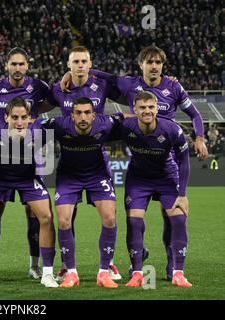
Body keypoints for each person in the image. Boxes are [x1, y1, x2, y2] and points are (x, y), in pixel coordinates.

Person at [62, 45, 206, 280]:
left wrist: (199, 137)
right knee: (135, 220)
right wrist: (75, 73)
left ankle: (173, 266)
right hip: (140, 161)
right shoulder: (130, 85)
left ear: (163, 65)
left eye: (158, 62)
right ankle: (136, 265)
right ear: (141, 65)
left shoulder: (174, 86)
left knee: (172, 217)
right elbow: (102, 76)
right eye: (149, 62)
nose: (154, 66)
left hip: (167, 161)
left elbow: (196, 115)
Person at [47, 46, 123, 281]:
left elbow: (129, 92)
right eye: (75, 62)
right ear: (68, 65)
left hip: (97, 163)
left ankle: (107, 264)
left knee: (110, 217)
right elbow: (36, 111)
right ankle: (67, 267)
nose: (80, 65)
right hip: (69, 166)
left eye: (84, 61)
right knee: (65, 218)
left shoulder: (102, 85)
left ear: (90, 64)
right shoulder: (59, 90)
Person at [0, 47, 51, 281]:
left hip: (29, 159)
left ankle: (35, 265)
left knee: (36, 212)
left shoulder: (37, 86)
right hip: (0, 158)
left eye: (21, 64)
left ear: (27, 66)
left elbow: (55, 98)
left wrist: (36, 119)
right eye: (13, 64)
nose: (17, 68)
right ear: (7, 66)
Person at [0, 96, 58, 289]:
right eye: (14, 117)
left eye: (23, 117)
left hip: (27, 179)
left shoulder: (39, 131)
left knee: (46, 217)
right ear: (6, 117)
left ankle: (47, 273)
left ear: (30, 118)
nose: (19, 122)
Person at [39, 97, 120, 288]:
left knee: (109, 218)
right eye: (78, 113)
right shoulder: (59, 125)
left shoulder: (105, 124)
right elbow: (34, 124)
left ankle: (104, 272)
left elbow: (127, 119)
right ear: (72, 115)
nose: (82, 117)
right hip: (69, 177)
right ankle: (71, 272)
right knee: (64, 220)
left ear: (93, 115)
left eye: (86, 113)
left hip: (97, 176)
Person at [117, 91, 192, 288]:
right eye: (142, 107)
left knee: (179, 219)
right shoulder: (126, 126)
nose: (147, 111)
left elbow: (184, 162)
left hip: (167, 178)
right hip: (138, 179)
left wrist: (182, 195)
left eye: (151, 107)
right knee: (133, 221)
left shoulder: (172, 130)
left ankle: (178, 272)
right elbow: (103, 126)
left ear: (157, 108)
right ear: (135, 109)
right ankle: (137, 273)